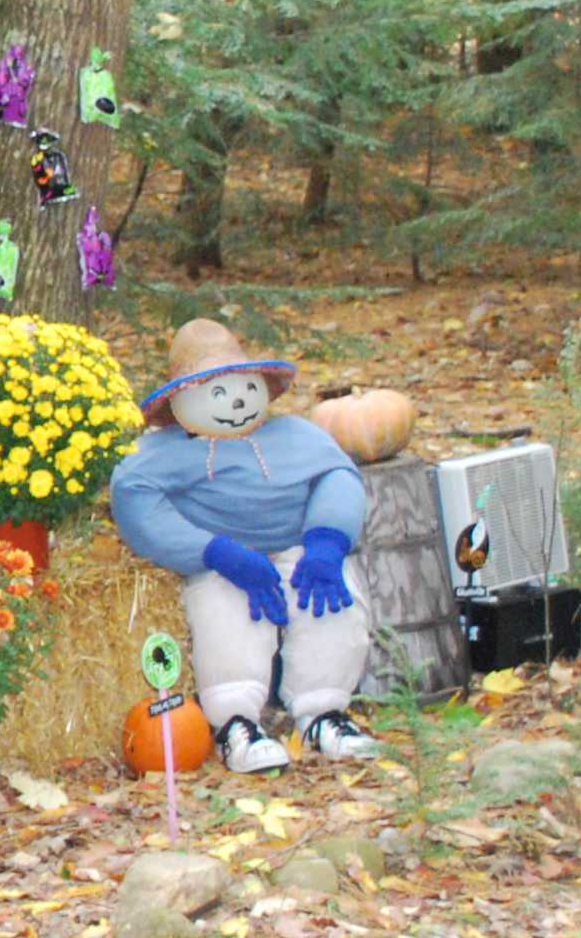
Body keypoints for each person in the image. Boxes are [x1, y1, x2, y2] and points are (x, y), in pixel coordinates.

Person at [108, 318, 383, 774]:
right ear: (179, 402)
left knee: (334, 600)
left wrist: (327, 541)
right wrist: (215, 552)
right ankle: (235, 723)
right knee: (225, 612)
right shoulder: (157, 455)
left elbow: (337, 478)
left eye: (243, 390)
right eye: (217, 394)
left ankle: (324, 711)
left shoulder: (299, 436)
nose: (235, 404)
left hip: (300, 547)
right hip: (222, 558)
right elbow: (138, 505)